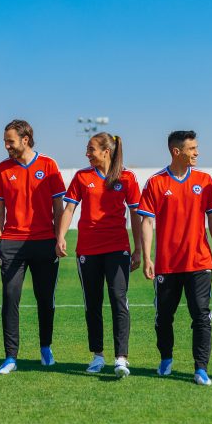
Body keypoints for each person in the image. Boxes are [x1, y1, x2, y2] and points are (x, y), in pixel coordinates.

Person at [138, 130, 212, 386]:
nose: (197, 152)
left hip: (199, 261)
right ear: (177, 152)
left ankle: (201, 368)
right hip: (167, 263)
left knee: (201, 315)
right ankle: (166, 358)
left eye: (197, 147)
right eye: (192, 148)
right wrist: (147, 257)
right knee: (164, 316)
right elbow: (146, 221)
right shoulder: (156, 182)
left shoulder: (204, 180)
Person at [56, 132, 142, 378]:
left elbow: (136, 214)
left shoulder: (127, 177)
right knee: (92, 303)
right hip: (88, 249)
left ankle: (121, 358)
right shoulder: (82, 177)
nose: (87, 153)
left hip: (117, 248)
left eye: (91, 149)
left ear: (106, 151)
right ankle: (97, 355)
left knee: (118, 300)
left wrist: (138, 249)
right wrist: (61, 236)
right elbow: (70, 207)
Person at [0, 119, 66, 374]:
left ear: (25, 139)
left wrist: (58, 237)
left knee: (45, 299)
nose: (6, 146)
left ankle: (45, 347)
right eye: (5, 141)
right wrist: (0, 241)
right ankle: (11, 356)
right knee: (10, 298)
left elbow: (59, 206)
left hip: (45, 242)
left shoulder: (49, 165)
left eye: (9, 141)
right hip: (12, 243)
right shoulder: (2, 169)